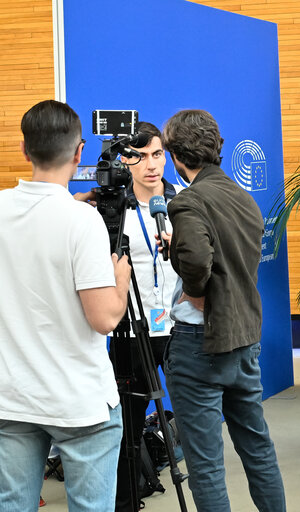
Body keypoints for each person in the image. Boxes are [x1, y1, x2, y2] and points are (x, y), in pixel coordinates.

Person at [0, 99, 131, 511]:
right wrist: (121, 282)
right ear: (78, 154)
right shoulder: (82, 222)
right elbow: (105, 318)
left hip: (13, 397)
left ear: (24, 150)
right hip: (79, 404)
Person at [161, 109, 286, 511]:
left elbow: (199, 261)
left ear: (177, 156)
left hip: (201, 345)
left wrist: (195, 291)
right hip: (244, 338)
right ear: (219, 147)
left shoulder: (188, 202)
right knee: (258, 450)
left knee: (206, 465)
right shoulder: (243, 197)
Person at [112, 121, 181, 512]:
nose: (152, 164)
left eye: (157, 154)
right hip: (133, 326)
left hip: (178, 324)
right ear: (126, 160)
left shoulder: (181, 201)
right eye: (140, 156)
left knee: (191, 412)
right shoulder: (115, 210)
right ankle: (126, 497)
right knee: (128, 420)